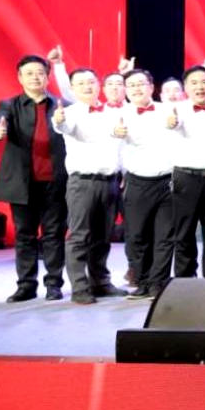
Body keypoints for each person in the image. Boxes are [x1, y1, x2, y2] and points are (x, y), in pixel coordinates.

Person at [0, 55, 67, 303]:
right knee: (25, 235)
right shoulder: (9, 104)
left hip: (56, 182)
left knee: (53, 234)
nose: (35, 77)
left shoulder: (61, 105)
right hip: (22, 182)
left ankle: (54, 284)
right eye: (29, 73)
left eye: (40, 72)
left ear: (47, 76)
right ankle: (26, 285)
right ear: (20, 77)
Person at [53, 68, 127, 304]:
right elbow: (64, 127)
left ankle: (101, 282)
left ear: (99, 85)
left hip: (110, 181)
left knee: (103, 236)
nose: (87, 86)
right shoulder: (69, 113)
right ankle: (79, 287)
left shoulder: (113, 112)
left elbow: (120, 144)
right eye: (81, 83)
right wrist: (59, 121)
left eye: (91, 82)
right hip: (83, 183)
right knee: (79, 235)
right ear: (72, 88)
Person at [115, 69, 174, 299]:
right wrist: (115, 132)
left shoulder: (168, 110)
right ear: (126, 90)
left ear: (151, 87)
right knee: (136, 236)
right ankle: (142, 281)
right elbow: (110, 139)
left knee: (164, 237)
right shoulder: (118, 115)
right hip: (137, 182)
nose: (137, 89)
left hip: (167, 182)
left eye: (141, 84)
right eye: (131, 85)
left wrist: (175, 124)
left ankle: (158, 283)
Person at [166, 65, 205, 279]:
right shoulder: (176, 111)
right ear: (185, 87)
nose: (199, 87)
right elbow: (172, 124)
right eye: (194, 83)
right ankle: (184, 278)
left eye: (204, 82)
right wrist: (172, 122)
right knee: (184, 233)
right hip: (186, 178)